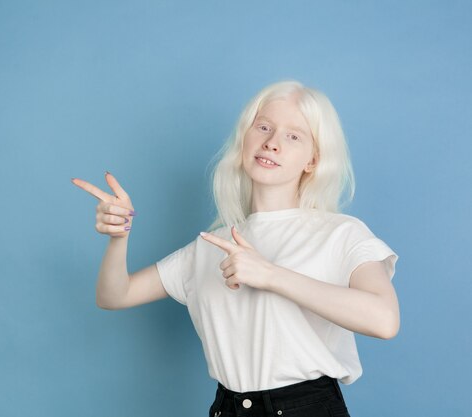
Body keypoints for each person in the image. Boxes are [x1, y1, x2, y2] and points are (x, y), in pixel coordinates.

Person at [71, 80, 399, 417]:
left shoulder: (341, 233)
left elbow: (384, 320)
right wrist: (119, 237)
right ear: (245, 138)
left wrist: (269, 275)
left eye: (293, 136)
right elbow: (114, 295)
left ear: (312, 161)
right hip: (228, 407)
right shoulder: (210, 246)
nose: (272, 143)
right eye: (264, 127)